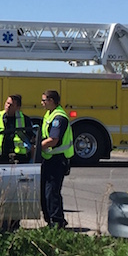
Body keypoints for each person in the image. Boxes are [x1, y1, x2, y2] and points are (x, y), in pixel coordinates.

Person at [40, 89, 74, 228]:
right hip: (49, 159)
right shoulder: (50, 114)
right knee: (45, 192)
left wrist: (37, 147)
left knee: (51, 192)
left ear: (51, 101)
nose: (41, 103)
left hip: (57, 160)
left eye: (44, 100)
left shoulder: (59, 117)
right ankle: (51, 221)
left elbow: (53, 140)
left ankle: (57, 222)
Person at [0, 94, 31, 164]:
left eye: (11, 105)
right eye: (7, 103)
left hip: (18, 158)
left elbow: (31, 140)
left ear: (17, 107)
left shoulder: (25, 119)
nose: (8, 106)